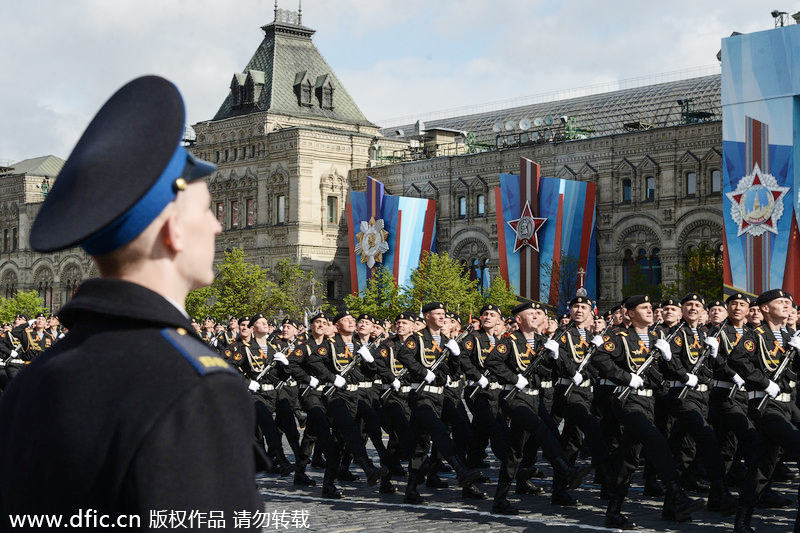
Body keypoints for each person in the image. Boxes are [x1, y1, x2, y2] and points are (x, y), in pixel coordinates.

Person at [0, 76, 261, 527]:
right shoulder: (195, 384)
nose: (218, 228)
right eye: (206, 212)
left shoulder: (35, 378)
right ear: (173, 231)